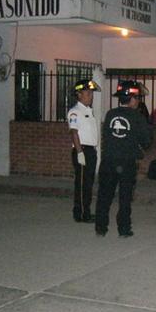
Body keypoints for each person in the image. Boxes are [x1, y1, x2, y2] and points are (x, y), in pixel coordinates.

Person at [95, 80, 151, 238]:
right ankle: (124, 229)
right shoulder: (137, 117)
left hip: (108, 160)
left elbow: (106, 136)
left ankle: (101, 227)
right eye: (137, 98)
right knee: (125, 197)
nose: (138, 101)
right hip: (126, 163)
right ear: (132, 99)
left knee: (104, 195)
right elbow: (147, 140)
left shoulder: (110, 114)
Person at [68, 79, 101, 223]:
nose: (91, 96)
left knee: (88, 183)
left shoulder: (88, 111)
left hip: (90, 151)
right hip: (82, 151)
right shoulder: (75, 112)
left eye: (91, 93)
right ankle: (81, 213)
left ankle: (85, 211)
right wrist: (80, 152)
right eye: (88, 93)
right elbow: (74, 133)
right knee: (82, 184)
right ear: (79, 94)